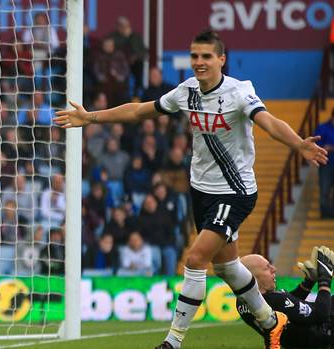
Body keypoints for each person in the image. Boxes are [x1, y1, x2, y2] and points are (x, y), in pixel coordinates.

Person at [54, 29, 328, 349]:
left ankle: (173, 341)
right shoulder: (187, 91)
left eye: (207, 56)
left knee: (195, 259)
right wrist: (92, 117)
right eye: (195, 56)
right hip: (201, 191)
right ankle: (271, 321)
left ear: (221, 60)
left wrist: (298, 145)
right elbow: (140, 110)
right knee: (225, 267)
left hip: (234, 192)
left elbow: (268, 121)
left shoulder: (239, 93)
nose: (199, 62)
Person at [238, 247, 334, 348]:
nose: (274, 269)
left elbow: (288, 306)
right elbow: (321, 314)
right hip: (323, 339)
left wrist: (309, 282)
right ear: (252, 278)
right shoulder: (274, 300)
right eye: (267, 268)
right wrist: (325, 279)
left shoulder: (241, 302)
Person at [315, 109, 334, 218]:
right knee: (325, 189)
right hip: (326, 164)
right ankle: (325, 214)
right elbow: (316, 145)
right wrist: (326, 148)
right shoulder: (323, 128)